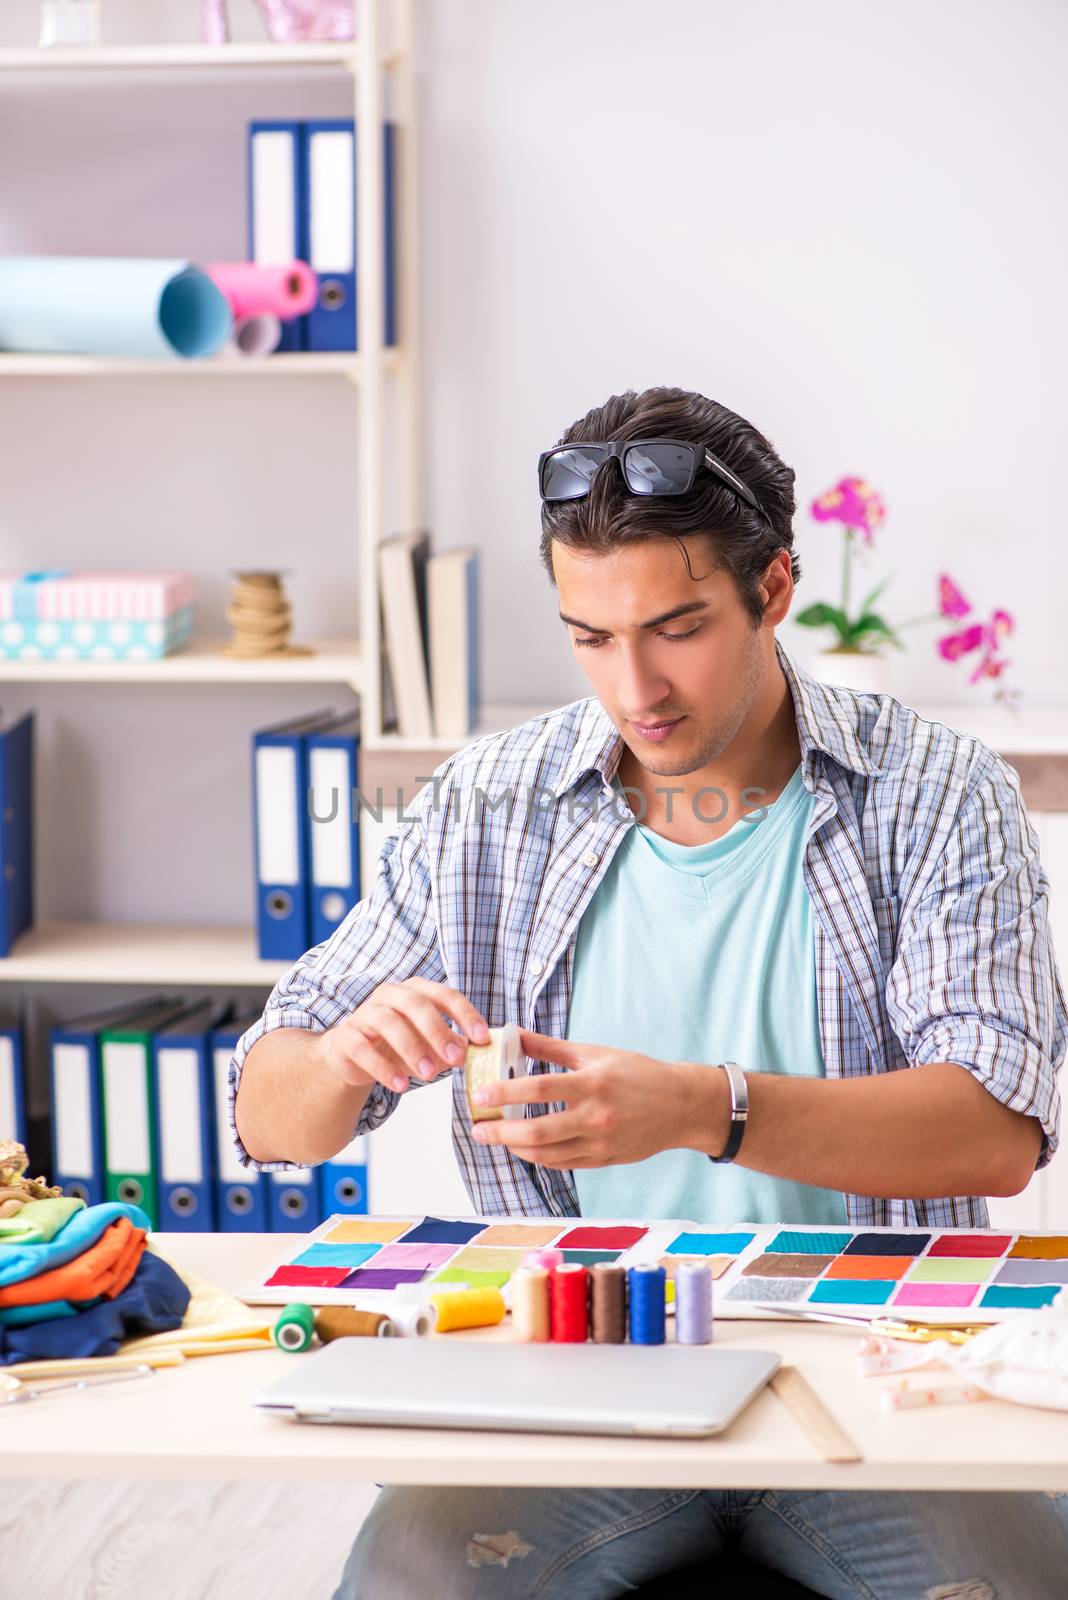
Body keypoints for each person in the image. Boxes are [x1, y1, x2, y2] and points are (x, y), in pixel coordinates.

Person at [230, 386, 1068, 1598]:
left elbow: (994, 1134)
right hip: (568, 1358)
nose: (635, 687)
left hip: (870, 1355)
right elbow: (269, 1120)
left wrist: (702, 1108)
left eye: (678, 627)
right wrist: (341, 1055)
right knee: (408, 1578)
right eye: (591, 637)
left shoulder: (939, 795)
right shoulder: (490, 803)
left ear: (773, 589)